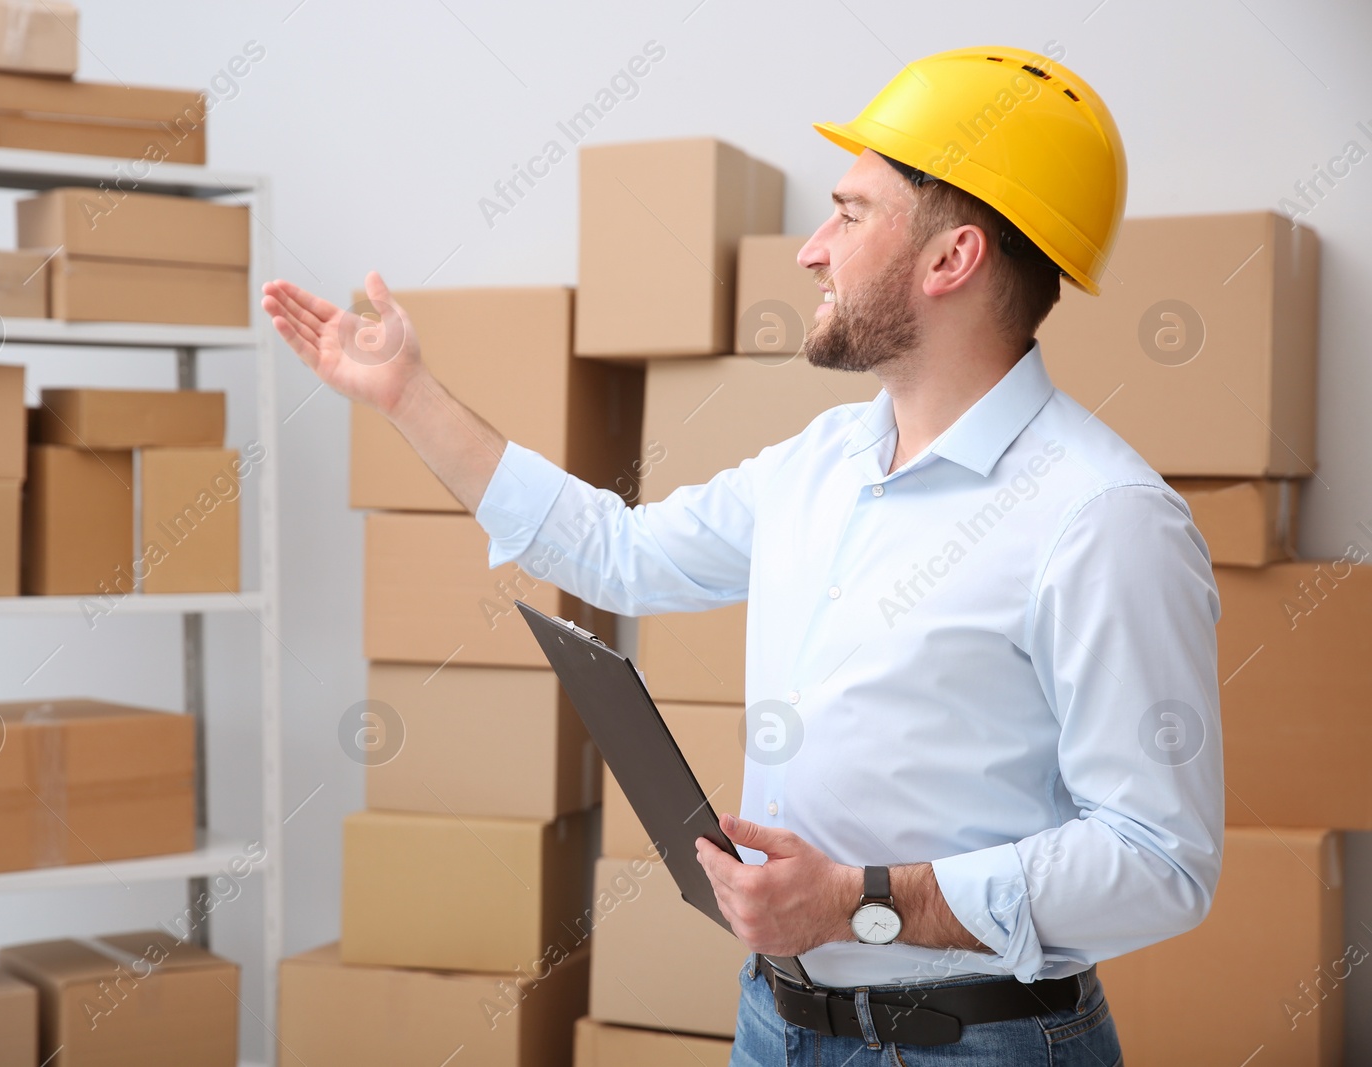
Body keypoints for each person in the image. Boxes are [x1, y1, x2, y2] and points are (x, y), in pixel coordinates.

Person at [262, 44, 1221, 1067]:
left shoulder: (1101, 516)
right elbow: (616, 553)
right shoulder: (827, 458)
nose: (812, 250)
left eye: (849, 213)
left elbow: (1158, 860)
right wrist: (406, 393)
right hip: (777, 1020)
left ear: (952, 260)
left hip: (974, 1043)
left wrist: (862, 900)